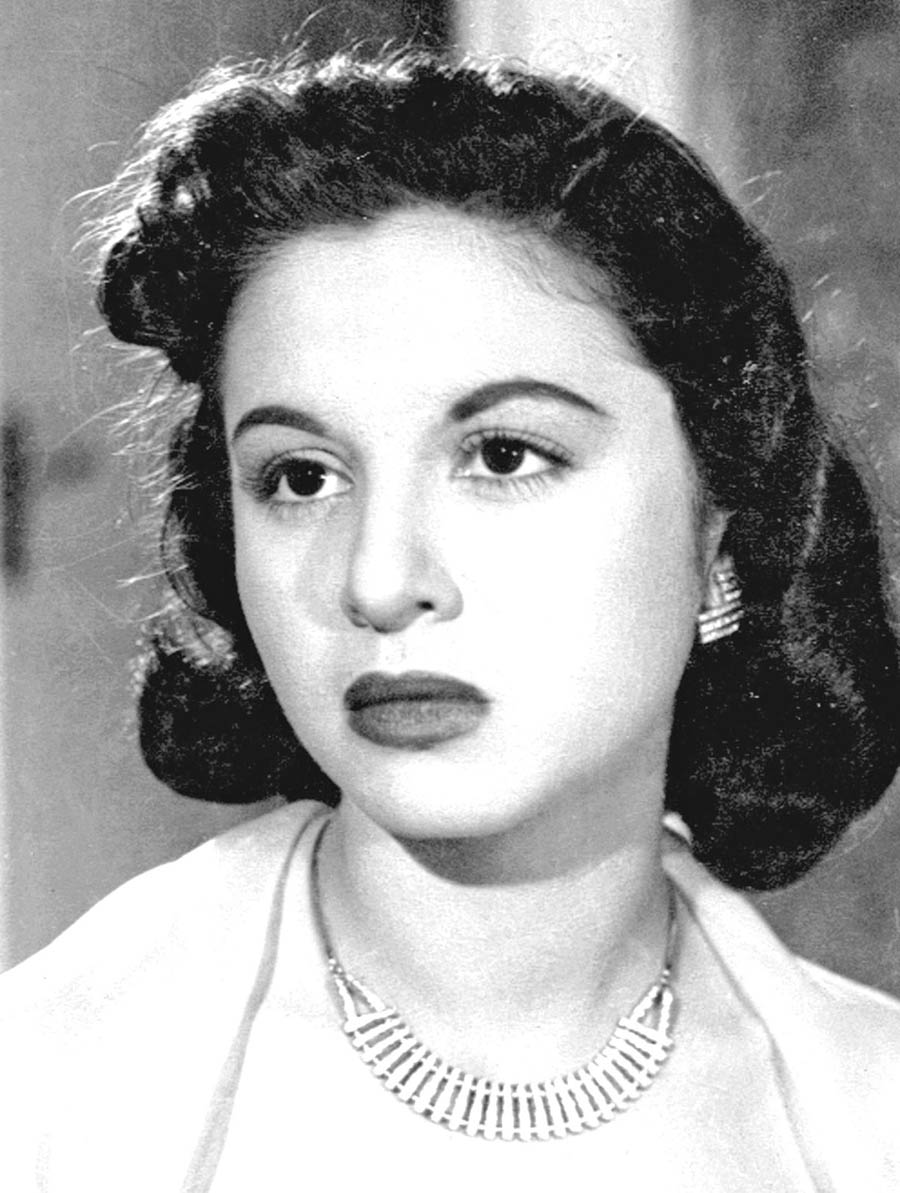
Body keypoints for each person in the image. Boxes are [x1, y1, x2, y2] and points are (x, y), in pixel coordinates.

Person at [1, 49, 898, 1192]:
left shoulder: (868, 1113)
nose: (379, 580)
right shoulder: (43, 1093)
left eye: (505, 455)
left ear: (721, 534)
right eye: (300, 477)